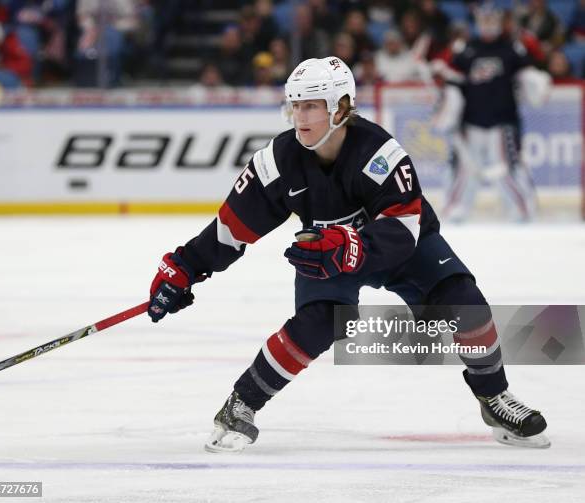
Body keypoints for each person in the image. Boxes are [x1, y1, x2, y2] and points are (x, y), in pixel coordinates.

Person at [146, 56, 549, 452]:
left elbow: (404, 230)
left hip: (396, 248)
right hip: (328, 250)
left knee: (464, 302)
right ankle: (241, 404)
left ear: (340, 108)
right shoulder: (277, 161)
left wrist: (354, 247)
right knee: (319, 322)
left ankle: (494, 398)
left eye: (311, 106)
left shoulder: (381, 153)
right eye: (295, 105)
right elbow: (230, 229)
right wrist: (184, 268)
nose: (300, 117)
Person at [439, 3, 550, 222]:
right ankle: (455, 213)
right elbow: (453, 83)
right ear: (478, 22)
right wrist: (448, 108)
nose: (488, 25)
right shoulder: (466, 50)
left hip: (503, 123)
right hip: (470, 123)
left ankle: (522, 213)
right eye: (484, 20)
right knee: (465, 170)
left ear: (499, 22)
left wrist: (538, 83)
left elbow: (528, 76)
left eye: (492, 20)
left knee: (507, 169)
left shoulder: (511, 48)